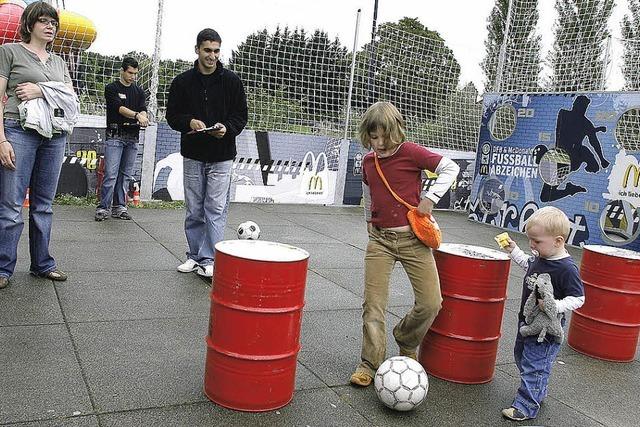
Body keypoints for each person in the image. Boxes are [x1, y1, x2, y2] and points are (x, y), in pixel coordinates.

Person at [349, 101, 460, 387]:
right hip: (380, 241)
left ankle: (406, 338)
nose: (381, 143)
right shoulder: (368, 161)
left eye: (386, 135)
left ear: (397, 131)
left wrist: (430, 198)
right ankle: (370, 363)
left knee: (431, 303)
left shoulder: (410, 152)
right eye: (374, 137)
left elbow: (449, 168)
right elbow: (368, 192)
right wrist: (369, 223)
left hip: (414, 241)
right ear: (367, 134)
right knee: (373, 305)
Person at [0, 1, 78, 289]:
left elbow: (69, 98)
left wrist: (40, 90)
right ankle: (3, 268)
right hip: (17, 131)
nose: (50, 27)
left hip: (54, 134)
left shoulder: (58, 61)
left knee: (44, 205)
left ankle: (42, 263)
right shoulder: (9, 52)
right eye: (44, 21)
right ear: (29, 24)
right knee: (10, 204)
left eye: (54, 23)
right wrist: (1, 140)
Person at [166, 28, 247, 278]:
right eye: (207, 50)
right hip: (193, 154)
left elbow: (240, 116)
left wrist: (227, 128)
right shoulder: (182, 82)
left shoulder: (232, 81)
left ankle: (210, 258)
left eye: (216, 51)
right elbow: (172, 116)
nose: (212, 56)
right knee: (194, 208)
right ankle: (194, 255)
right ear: (197, 50)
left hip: (222, 155)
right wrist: (189, 121)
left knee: (215, 207)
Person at [500, 206, 585, 421]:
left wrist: (554, 306)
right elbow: (527, 264)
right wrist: (513, 250)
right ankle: (537, 389)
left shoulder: (566, 268)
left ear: (558, 241)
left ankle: (526, 406)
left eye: (537, 241)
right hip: (526, 322)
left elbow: (579, 298)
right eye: (530, 240)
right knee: (521, 357)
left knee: (534, 365)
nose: (532, 245)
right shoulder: (541, 257)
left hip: (545, 330)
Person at [95, 57, 149, 221]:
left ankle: (120, 207)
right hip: (115, 136)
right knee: (111, 174)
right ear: (123, 71)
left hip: (132, 137)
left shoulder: (138, 91)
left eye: (135, 73)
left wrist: (143, 116)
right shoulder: (111, 88)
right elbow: (119, 108)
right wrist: (137, 116)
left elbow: (143, 108)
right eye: (130, 73)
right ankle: (103, 207)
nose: (132, 76)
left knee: (125, 175)